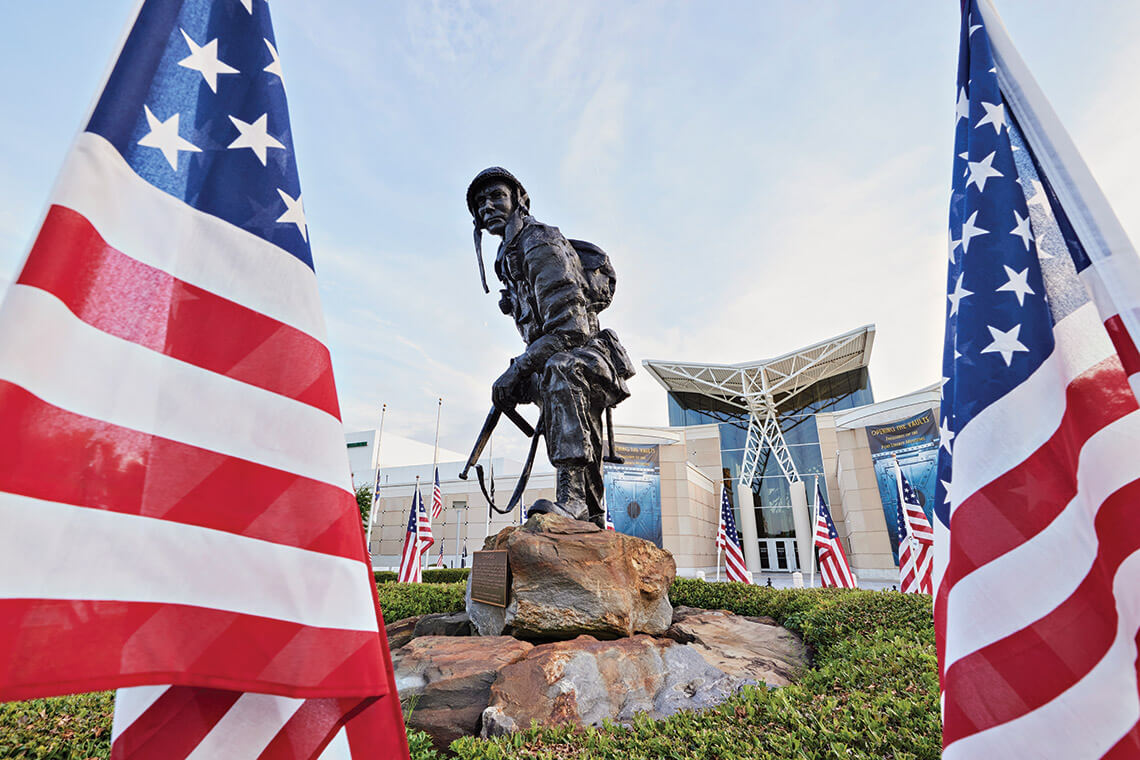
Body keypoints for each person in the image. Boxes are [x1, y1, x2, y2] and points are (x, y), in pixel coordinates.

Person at [466, 167, 634, 527]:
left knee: (561, 370)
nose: (487, 206)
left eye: (496, 196)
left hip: (587, 356)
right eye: (480, 202)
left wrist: (517, 369)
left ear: (519, 201)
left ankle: (573, 500)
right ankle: (589, 513)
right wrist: (517, 379)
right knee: (553, 388)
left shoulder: (538, 242)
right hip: (558, 354)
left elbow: (570, 328)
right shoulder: (509, 257)